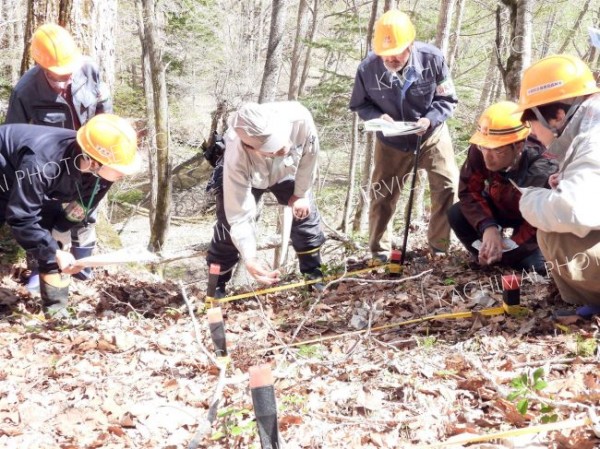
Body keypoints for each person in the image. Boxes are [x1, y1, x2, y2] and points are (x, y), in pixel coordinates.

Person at [5, 23, 112, 287]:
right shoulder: (25, 91)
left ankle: (84, 267)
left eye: (68, 73)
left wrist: (105, 144)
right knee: (42, 212)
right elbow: (14, 133)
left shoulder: (89, 69)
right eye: (57, 75)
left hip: (90, 155)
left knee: (86, 209)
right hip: (48, 164)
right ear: (41, 66)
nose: (65, 79)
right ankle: (44, 268)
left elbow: (104, 109)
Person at [0, 114, 140, 316]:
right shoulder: (43, 163)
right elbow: (21, 217)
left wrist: (60, 240)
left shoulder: (103, 175)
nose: (124, 174)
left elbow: (81, 207)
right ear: (94, 162)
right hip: (5, 169)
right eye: (119, 169)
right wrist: (56, 253)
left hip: (33, 182)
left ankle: (56, 312)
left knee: (51, 246)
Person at [349, 9, 459, 262]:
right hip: (392, 141)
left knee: (447, 186)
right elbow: (360, 104)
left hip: (431, 135)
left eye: (396, 52)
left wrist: (430, 119)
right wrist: (377, 118)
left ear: (410, 45)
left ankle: (439, 250)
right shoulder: (367, 68)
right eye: (384, 54)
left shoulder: (432, 59)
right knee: (382, 194)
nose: (390, 58)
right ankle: (380, 253)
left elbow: (447, 98)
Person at [206, 101, 326, 297]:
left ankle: (314, 277)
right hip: (251, 176)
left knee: (305, 216)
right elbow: (239, 215)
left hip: (288, 170)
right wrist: (250, 258)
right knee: (227, 229)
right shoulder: (236, 156)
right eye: (272, 149)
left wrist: (301, 194)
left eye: (280, 142)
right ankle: (215, 287)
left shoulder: (299, 118)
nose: (281, 148)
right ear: (250, 147)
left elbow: (309, 156)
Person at [517, 54, 600, 318]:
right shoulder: (589, 125)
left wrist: (529, 199)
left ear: (556, 116)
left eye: (532, 127)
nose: (533, 136)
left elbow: (572, 211)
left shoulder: (592, 138)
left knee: (555, 236)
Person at [447, 101, 558, 274]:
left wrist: (510, 251)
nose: (487, 158)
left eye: (498, 151)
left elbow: (541, 218)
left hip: (530, 217)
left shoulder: (541, 165)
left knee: (536, 268)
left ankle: (502, 256)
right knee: (456, 213)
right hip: (498, 203)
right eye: (484, 148)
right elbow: (468, 191)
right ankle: (486, 252)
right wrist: (488, 227)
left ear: (519, 146)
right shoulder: (480, 148)